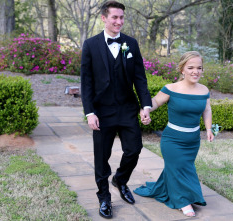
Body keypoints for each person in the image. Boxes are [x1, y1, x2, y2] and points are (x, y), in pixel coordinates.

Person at [80, 1, 152, 219]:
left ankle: (120, 180)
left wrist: (145, 105)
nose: (119, 21)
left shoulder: (131, 43)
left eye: (122, 17)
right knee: (102, 158)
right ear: (104, 18)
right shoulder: (91, 44)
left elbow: (140, 77)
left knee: (134, 149)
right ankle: (104, 198)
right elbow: (86, 82)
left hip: (127, 109)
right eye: (115, 17)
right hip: (102, 112)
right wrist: (89, 112)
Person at [134, 51, 214, 217]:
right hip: (172, 140)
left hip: (192, 140)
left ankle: (169, 190)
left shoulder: (204, 90)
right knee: (177, 167)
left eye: (199, 68)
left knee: (184, 167)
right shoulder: (171, 88)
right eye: (190, 67)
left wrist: (208, 129)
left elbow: (207, 109)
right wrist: (146, 110)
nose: (195, 71)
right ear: (182, 69)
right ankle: (183, 201)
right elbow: (155, 101)